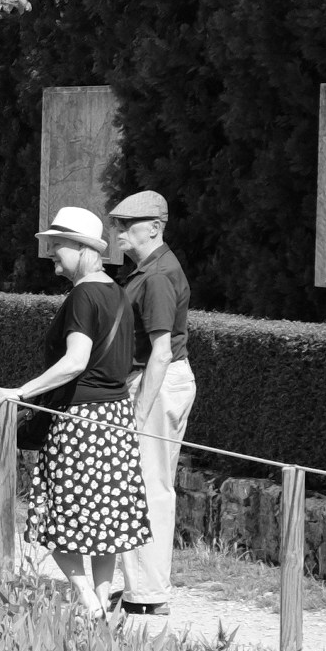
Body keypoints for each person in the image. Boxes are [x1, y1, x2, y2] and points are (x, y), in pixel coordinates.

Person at [0, 205, 156, 621]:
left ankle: (87, 600)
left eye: (58, 247)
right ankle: (101, 606)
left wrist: (20, 391)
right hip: (115, 421)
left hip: (80, 423)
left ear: (83, 249)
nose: (53, 259)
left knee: (57, 519)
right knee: (104, 526)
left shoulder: (83, 295)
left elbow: (76, 360)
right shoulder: (117, 291)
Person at [110, 188, 196, 616]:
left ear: (155, 228)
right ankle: (137, 588)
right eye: (116, 224)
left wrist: (138, 413)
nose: (118, 231)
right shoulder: (149, 269)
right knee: (138, 485)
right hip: (151, 381)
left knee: (150, 487)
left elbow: (161, 351)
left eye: (127, 224)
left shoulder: (158, 275)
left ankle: (149, 594)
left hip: (157, 383)